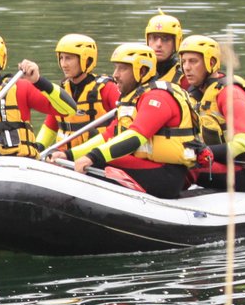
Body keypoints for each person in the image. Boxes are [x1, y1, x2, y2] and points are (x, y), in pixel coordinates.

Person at [72, 43, 200, 198]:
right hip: (152, 166)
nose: (116, 75)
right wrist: (68, 155)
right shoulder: (134, 98)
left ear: (142, 71)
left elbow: (136, 136)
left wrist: (93, 157)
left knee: (99, 161)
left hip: (167, 176)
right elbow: (108, 136)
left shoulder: (158, 97)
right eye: (116, 68)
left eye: (123, 69)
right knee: (95, 157)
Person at [178, 34, 245, 191]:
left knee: (181, 169)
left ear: (211, 63)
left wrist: (202, 153)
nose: (186, 67)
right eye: (184, 61)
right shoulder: (193, 92)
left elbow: (243, 144)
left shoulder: (232, 94)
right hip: (219, 160)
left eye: (193, 61)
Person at [37, 33, 120, 157]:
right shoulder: (62, 90)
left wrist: (72, 155)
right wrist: (36, 148)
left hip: (93, 160)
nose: (64, 64)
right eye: (61, 58)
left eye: (69, 58)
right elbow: (50, 126)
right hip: (62, 159)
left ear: (86, 60)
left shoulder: (107, 89)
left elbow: (122, 125)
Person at [145, 11, 185, 85]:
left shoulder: (185, 78)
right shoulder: (137, 73)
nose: (158, 44)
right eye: (154, 38)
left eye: (165, 39)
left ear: (176, 43)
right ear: (148, 40)